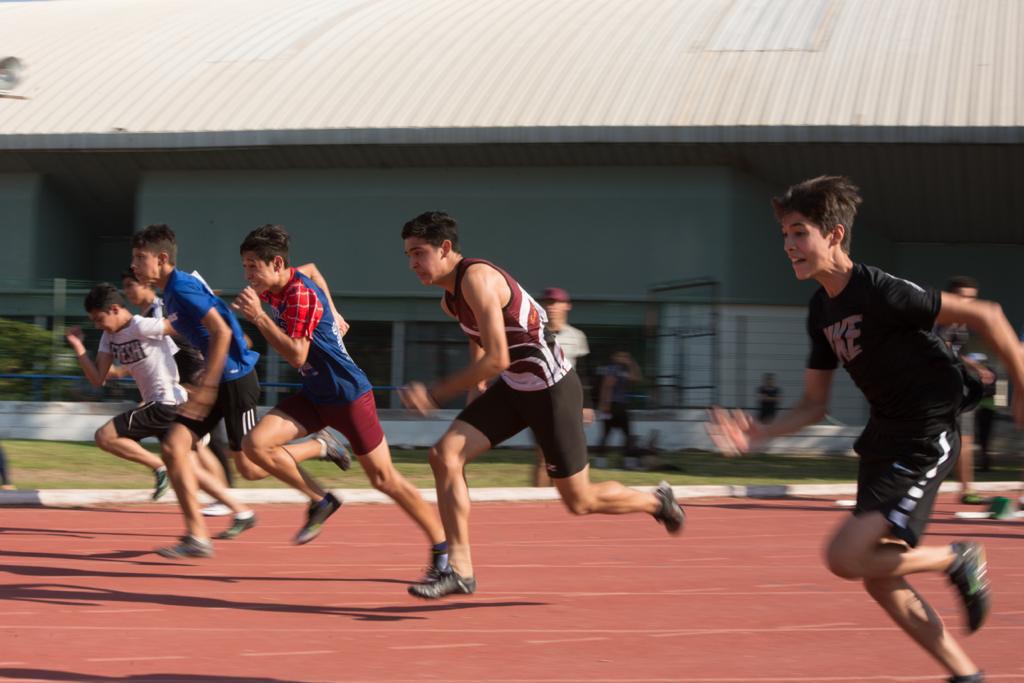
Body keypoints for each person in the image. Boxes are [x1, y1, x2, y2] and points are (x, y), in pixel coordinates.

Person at [708, 176, 1024, 683]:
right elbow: (814, 405)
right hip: (884, 438)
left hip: (925, 435)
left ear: (834, 235)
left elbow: (987, 313)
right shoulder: (820, 311)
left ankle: (956, 557)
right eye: (784, 235)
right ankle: (966, 675)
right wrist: (761, 435)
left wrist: (1023, 388)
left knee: (844, 557)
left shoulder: (879, 290)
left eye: (799, 233)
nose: (788, 246)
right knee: (877, 575)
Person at [399, 211, 685, 600]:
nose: (413, 264)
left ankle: (656, 500)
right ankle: (460, 571)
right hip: (514, 388)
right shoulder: (450, 301)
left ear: (445, 248)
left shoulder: (478, 279)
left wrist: (437, 393)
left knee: (579, 501)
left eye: (419, 253)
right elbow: (481, 342)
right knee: (444, 455)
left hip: (553, 390)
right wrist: (475, 388)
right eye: (408, 256)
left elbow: (497, 356)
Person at [232, 225, 448, 573]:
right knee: (255, 446)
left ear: (275, 263)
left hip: (349, 396)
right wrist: (334, 313)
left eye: (252, 266)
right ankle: (322, 499)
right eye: (244, 266)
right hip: (315, 394)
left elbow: (298, 356)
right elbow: (315, 267)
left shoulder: (297, 294)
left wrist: (258, 317)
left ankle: (442, 546)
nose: (246, 274)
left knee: (384, 479)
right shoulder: (280, 282)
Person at [130, 224, 337, 558]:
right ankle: (197, 537)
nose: (135, 266)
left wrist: (206, 387)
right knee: (173, 447)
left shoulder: (181, 288)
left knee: (252, 468)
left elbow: (223, 331)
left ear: (162, 259)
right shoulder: (169, 292)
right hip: (215, 380)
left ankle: (318, 447)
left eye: (141, 258)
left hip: (235, 380)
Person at [64, 283, 256, 535]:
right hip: (164, 406)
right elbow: (98, 378)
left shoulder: (142, 325)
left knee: (105, 436)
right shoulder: (108, 338)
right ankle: (243, 511)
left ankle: (159, 467)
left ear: (114, 309)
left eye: (100, 319)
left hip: (165, 402)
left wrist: (202, 306)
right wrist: (79, 349)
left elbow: (179, 326)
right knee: (190, 468)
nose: (99, 325)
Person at [934, 277, 995, 504]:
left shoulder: (961, 324)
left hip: (958, 387)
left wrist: (978, 368)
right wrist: (973, 367)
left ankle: (967, 489)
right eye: (962, 297)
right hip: (933, 389)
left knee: (965, 438)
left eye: (971, 298)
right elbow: (945, 350)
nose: (966, 302)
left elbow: (959, 351)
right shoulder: (938, 321)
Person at [533, 286, 593, 486]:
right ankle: (538, 505)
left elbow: (583, 374)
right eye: (547, 303)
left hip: (569, 402)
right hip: (542, 400)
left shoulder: (577, 337)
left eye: (556, 303)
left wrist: (587, 404)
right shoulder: (534, 334)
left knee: (570, 458)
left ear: (567, 306)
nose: (551, 308)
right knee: (543, 457)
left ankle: (563, 500)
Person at [596, 350, 642, 469]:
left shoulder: (624, 370)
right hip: (612, 405)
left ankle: (628, 461)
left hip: (622, 405)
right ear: (614, 357)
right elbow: (607, 387)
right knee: (606, 434)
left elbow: (636, 378)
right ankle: (601, 461)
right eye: (620, 356)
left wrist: (631, 363)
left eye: (625, 356)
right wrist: (605, 406)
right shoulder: (612, 369)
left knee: (627, 434)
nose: (623, 358)